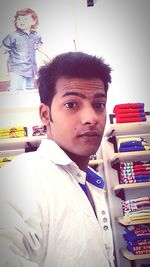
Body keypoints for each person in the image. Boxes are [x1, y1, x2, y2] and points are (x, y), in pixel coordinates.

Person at [0, 51, 115, 267]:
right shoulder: (20, 179)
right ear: (45, 115)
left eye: (99, 104)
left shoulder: (87, 181)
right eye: (71, 104)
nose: (91, 118)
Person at [0, 8, 43, 90]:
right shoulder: (12, 36)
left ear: (33, 22)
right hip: (16, 68)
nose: (21, 21)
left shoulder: (36, 35)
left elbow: (39, 44)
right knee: (16, 88)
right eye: (19, 19)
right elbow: (2, 50)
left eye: (25, 19)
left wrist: (38, 46)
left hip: (31, 68)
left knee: (29, 88)